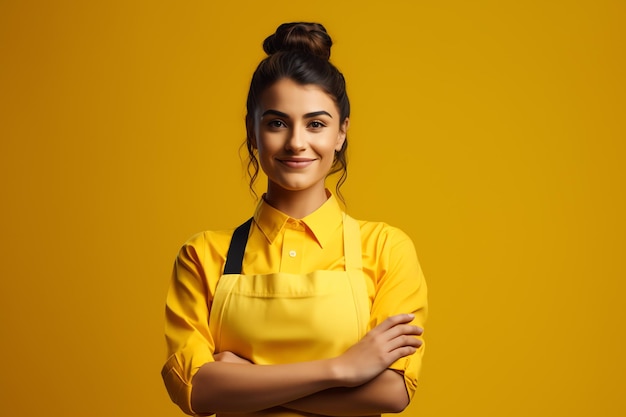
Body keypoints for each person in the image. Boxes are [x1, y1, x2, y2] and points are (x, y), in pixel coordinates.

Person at [162, 22, 428, 417]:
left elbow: (390, 392)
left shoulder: (387, 249)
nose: (296, 142)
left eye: (316, 124)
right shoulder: (201, 255)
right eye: (277, 123)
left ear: (341, 133)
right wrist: (343, 369)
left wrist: (243, 382)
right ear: (253, 132)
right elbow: (196, 391)